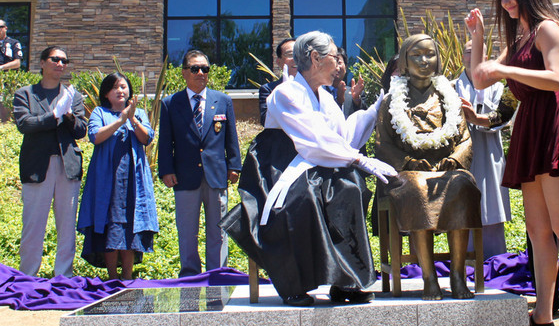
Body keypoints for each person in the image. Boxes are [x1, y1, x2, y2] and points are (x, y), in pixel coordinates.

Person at [221, 31, 396, 307]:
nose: (339, 65)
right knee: (306, 197)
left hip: (315, 161)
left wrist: (375, 109)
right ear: (315, 59)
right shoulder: (287, 92)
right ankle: (294, 282)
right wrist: (359, 159)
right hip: (277, 168)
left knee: (352, 186)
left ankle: (346, 280)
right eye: (334, 57)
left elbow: (342, 137)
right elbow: (312, 139)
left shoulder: (325, 97)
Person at [465, 0, 559, 326]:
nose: (506, 2)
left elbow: (556, 79)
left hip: (553, 121)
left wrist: (505, 69)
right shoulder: (518, 37)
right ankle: (543, 311)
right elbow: (478, 79)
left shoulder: (547, 28)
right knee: (537, 232)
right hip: (529, 127)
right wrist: (477, 38)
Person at [375, 34, 482, 300]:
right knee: (417, 188)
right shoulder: (391, 101)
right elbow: (382, 144)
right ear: (404, 62)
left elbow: (464, 138)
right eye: (416, 56)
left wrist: (456, 159)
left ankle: (457, 275)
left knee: (462, 184)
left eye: (430, 54)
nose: (424, 61)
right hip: (409, 172)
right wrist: (408, 162)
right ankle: (429, 277)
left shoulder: (449, 97)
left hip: (447, 168)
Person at [158, 50, 242, 278]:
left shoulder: (222, 100)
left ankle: (217, 274)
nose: (201, 73)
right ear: (184, 72)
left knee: (218, 230)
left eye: (205, 68)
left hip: (216, 175)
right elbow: (165, 141)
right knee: (187, 231)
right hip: (184, 176)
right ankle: (190, 275)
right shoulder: (170, 103)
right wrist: (166, 170)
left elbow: (230, 136)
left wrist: (234, 165)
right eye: (195, 68)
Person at [13, 46, 86, 277]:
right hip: (37, 166)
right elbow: (25, 124)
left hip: (67, 167)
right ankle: (28, 276)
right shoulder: (25, 94)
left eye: (65, 60)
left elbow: (80, 130)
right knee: (33, 225)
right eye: (55, 59)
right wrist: (54, 115)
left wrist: (67, 113)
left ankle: (63, 276)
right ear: (43, 62)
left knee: (66, 226)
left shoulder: (72, 95)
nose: (60, 64)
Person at [77, 73, 158, 280]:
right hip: (107, 180)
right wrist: (121, 120)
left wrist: (131, 119)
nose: (120, 91)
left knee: (131, 226)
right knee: (109, 225)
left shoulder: (138, 112)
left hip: (133, 180)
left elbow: (147, 138)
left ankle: (128, 276)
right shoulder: (99, 112)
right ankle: (112, 277)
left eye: (123, 86)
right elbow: (94, 136)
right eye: (115, 87)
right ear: (106, 93)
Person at [456, 39, 511, 258]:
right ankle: (466, 261)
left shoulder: (499, 87)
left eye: (478, 51)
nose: (473, 56)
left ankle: (495, 259)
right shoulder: (451, 87)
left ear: (486, 57)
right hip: (463, 155)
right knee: (464, 208)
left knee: (491, 204)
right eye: (469, 51)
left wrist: (477, 116)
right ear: (462, 57)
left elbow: (503, 118)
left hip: (489, 152)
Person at [259, 37, 296, 124]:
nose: (295, 59)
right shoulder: (269, 89)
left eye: (299, 54)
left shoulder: (317, 88)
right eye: (290, 54)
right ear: (279, 62)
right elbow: (265, 120)